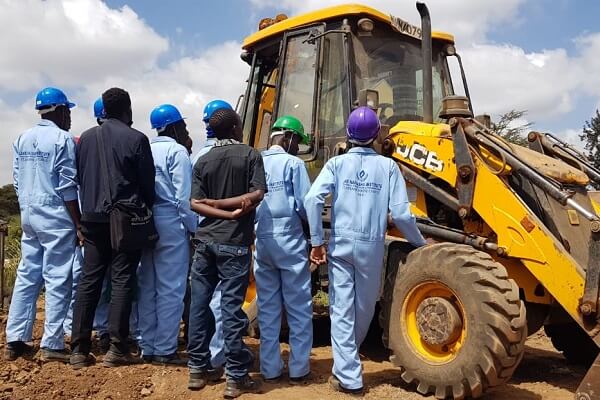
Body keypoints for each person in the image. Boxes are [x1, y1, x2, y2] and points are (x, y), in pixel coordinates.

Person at [304, 106, 426, 394]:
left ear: (348, 133)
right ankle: (349, 371)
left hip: (341, 243)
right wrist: (420, 243)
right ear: (376, 135)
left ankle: (346, 370)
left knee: (341, 307)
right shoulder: (388, 167)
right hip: (371, 245)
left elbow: (312, 200)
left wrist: (316, 241)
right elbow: (402, 215)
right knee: (364, 306)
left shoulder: (336, 164)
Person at [70, 87, 155, 369]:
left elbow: (80, 178)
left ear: (103, 110)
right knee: (121, 280)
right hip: (124, 221)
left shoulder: (85, 140)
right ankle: (118, 348)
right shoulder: (137, 138)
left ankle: (79, 350)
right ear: (127, 109)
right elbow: (146, 185)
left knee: (89, 280)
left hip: (91, 218)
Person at [187, 108, 266, 398]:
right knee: (231, 308)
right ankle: (235, 376)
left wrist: (216, 206)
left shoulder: (203, 160)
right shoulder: (250, 156)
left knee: (199, 305)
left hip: (205, 242)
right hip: (234, 243)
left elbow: (195, 203)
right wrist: (233, 213)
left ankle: (197, 369)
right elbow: (257, 194)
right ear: (235, 128)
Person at [6, 87, 81, 363]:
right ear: (60, 111)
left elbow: (16, 179)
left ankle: (15, 339)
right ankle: (52, 344)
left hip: (29, 214)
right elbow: (68, 185)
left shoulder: (22, 138)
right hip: (55, 216)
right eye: (68, 111)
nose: (70, 117)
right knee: (58, 277)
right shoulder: (62, 139)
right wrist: (78, 223)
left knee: (27, 275)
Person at [253, 115, 313, 383]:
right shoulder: (293, 164)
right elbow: (304, 204)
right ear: (288, 138)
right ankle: (299, 369)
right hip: (289, 240)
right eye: (297, 141)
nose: (297, 147)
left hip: (263, 241)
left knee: (267, 308)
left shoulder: (256, 161)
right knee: (298, 306)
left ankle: (270, 368)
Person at [137, 104, 197, 365]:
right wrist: (194, 229)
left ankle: (147, 345)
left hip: (145, 220)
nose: (185, 129)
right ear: (173, 126)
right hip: (171, 220)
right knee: (171, 288)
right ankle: (165, 348)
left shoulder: (145, 149)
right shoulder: (177, 152)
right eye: (182, 125)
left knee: (148, 286)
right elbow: (184, 199)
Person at [184, 99, 234, 368]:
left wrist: (194, 230)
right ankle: (218, 355)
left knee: (200, 297)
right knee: (222, 297)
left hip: (201, 232)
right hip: (228, 233)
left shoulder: (196, 157)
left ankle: (198, 357)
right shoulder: (241, 155)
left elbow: (190, 200)